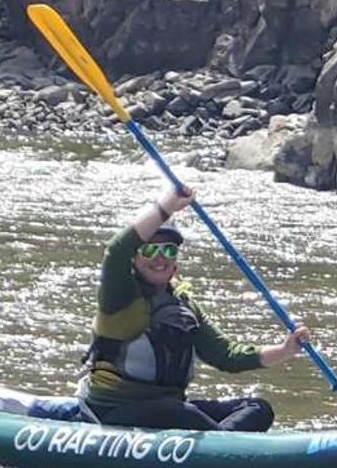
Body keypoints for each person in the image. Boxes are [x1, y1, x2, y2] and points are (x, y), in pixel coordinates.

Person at [79, 182, 312, 431]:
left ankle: (222, 444)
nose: (160, 258)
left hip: (168, 408)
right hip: (115, 410)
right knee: (181, 413)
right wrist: (167, 206)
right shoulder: (119, 295)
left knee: (258, 409)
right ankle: (226, 448)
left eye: (168, 250)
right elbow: (116, 251)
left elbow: (227, 356)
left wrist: (286, 350)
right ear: (135, 259)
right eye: (150, 250)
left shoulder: (183, 305)